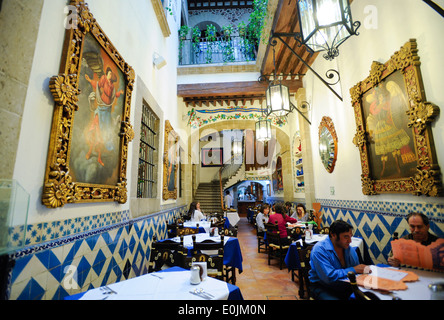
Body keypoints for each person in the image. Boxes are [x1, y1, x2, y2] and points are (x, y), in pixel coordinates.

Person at [309, 220, 371, 300]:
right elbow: (329, 277)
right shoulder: (319, 250)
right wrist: (354, 270)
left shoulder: (348, 249)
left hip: (343, 285)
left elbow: (357, 272)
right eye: (346, 237)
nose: (350, 241)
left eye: (350, 236)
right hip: (322, 287)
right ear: (333, 235)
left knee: (368, 295)